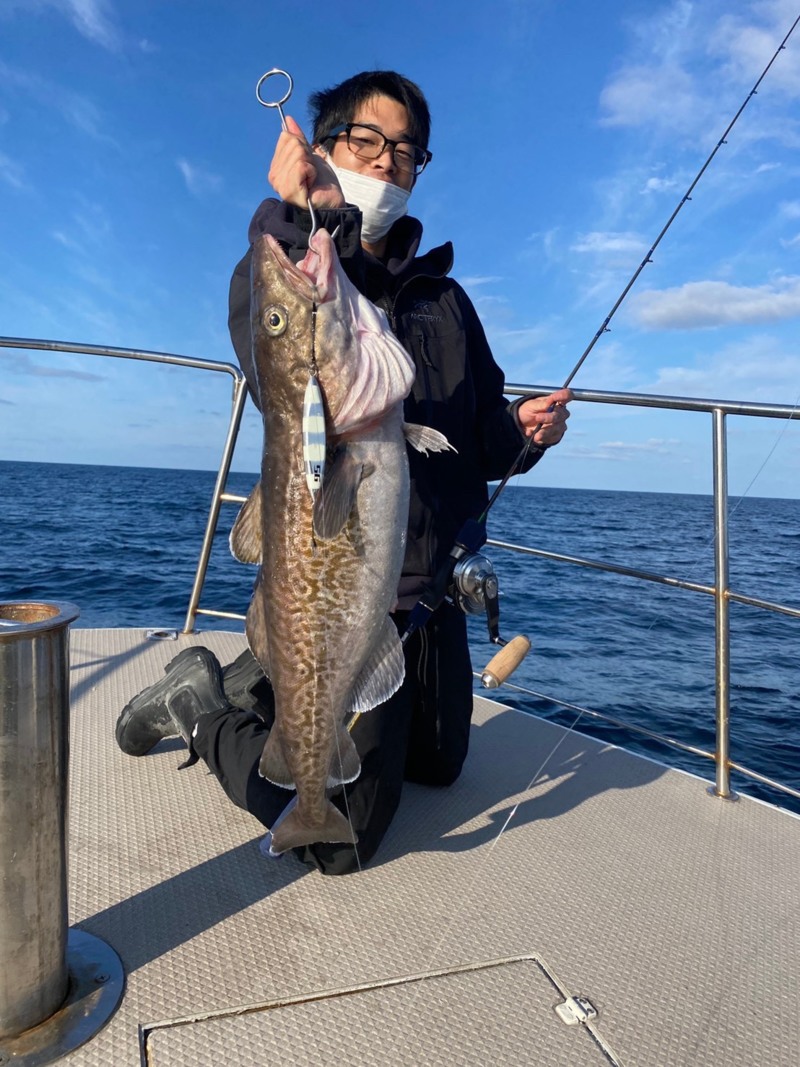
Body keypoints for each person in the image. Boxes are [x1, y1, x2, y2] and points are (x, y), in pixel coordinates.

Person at [116, 70, 572, 875]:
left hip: (426, 591)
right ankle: (202, 705)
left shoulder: (448, 303)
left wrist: (524, 433)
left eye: (406, 149)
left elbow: (483, 441)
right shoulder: (311, 265)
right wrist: (300, 215)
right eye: (367, 140)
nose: (388, 161)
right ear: (327, 148)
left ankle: (269, 678)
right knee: (336, 833)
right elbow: (275, 343)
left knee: (440, 765)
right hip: (352, 577)